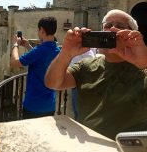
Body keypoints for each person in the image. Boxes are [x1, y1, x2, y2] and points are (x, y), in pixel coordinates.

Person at [45, 9, 147, 139]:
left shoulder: (143, 68)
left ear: (131, 35)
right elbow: (52, 83)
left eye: (120, 27)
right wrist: (66, 52)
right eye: (108, 26)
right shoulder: (86, 65)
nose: (112, 29)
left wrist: (144, 62)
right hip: (89, 145)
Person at [10, 16, 60, 118]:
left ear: (42, 30)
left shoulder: (39, 50)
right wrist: (28, 46)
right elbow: (41, 59)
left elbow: (15, 62)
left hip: (34, 106)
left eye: (38, 30)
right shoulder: (57, 50)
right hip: (49, 105)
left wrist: (15, 45)